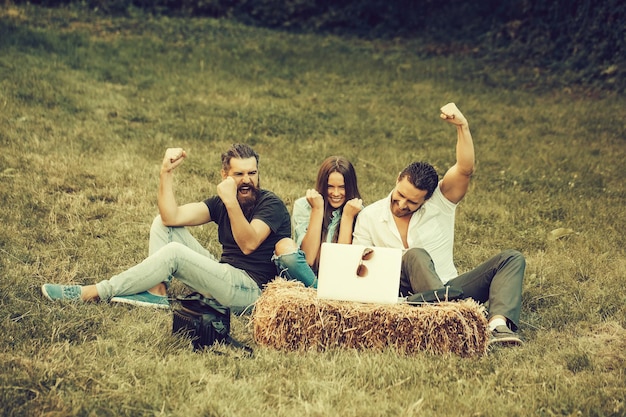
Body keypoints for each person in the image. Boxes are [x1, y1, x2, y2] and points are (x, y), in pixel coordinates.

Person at [41, 143, 292, 314]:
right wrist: (166, 172)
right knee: (161, 224)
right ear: (224, 175)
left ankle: (95, 292)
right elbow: (171, 217)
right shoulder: (221, 202)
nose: (247, 180)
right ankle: (157, 291)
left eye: (252, 173)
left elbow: (249, 243)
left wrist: (230, 200)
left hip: (251, 292)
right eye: (239, 174)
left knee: (174, 253)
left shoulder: (270, 204)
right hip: (224, 275)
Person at [353, 103, 526, 346]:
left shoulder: (440, 203)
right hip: (404, 296)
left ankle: (497, 326)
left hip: (450, 289)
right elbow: (358, 266)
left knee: (511, 258)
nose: (402, 204)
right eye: (399, 195)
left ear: (426, 199)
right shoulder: (369, 216)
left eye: (412, 202)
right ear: (397, 180)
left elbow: (465, 169)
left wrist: (462, 126)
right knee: (414, 255)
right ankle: (454, 318)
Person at [273, 156, 363, 287]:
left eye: (342, 187)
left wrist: (347, 218)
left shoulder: (358, 211)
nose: (336, 193)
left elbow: (340, 267)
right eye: (330, 187)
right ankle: (320, 294)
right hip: (305, 278)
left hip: (338, 280)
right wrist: (317, 209)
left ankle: (320, 295)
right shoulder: (303, 206)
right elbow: (308, 259)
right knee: (283, 245)